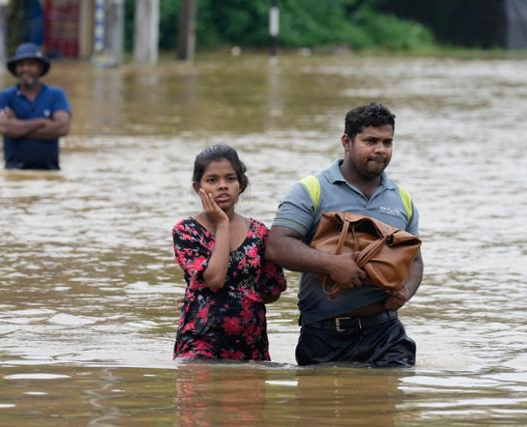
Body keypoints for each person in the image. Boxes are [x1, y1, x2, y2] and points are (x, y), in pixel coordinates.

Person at [266, 102, 423, 367]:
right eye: (370, 141)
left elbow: (415, 261)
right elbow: (276, 246)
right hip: (324, 335)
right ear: (347, 142)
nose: (380, 150)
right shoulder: (311, 190)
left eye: (388, 142)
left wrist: (406, 290)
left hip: (386, 334)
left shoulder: (402, 199)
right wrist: (331, 264)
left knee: (390, 405)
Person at [172, 144, 287, 361]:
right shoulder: (186, 231)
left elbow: (271, 290)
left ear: (241, 185)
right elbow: (214, 280)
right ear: (198, 188)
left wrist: (237, 298)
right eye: (212, 180)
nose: (222, 186)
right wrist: (222, 225)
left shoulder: (260, 232)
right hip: (200, 342)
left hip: (251, 345)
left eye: (230, 179)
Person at [0, 42, 71, 170]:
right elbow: (5, 129)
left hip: (50, 173)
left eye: (31, 65)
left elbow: (62, 128)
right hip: (14, 174)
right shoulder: (5, 96)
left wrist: (17, 126)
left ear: (40, 68)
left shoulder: (56, 94)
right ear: (16, 69)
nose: (25, 69)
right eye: (21, 65)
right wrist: (42, 122)